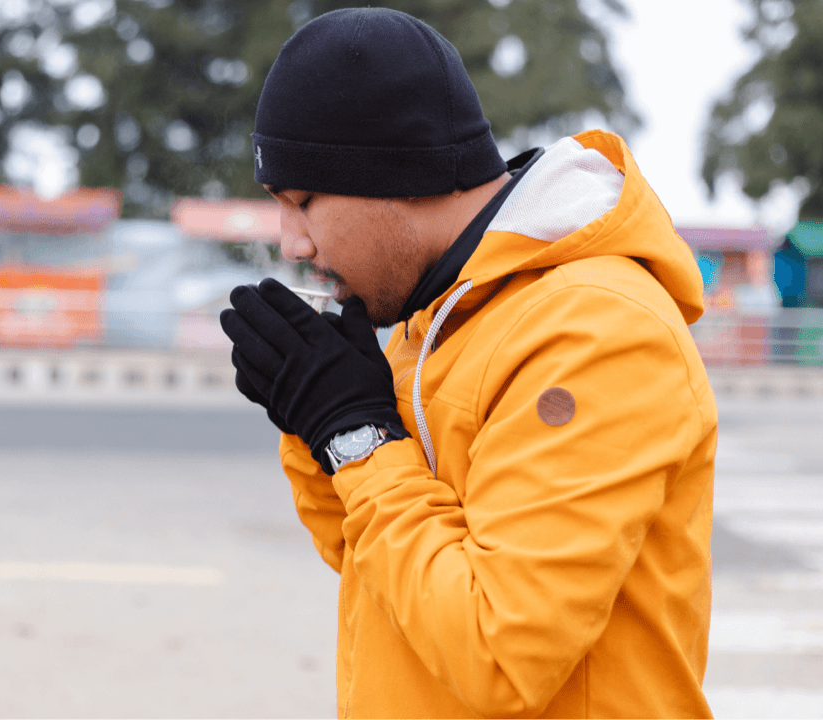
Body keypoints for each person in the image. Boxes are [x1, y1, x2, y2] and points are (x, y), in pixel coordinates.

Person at [220, 8, 716, 719]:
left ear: (400, 172)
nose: (291, 242)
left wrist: (354, 433)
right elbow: (369, 561)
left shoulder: (597, 329)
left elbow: (499, 655)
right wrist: (312, 419)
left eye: (303, 201)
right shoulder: (439, 312)